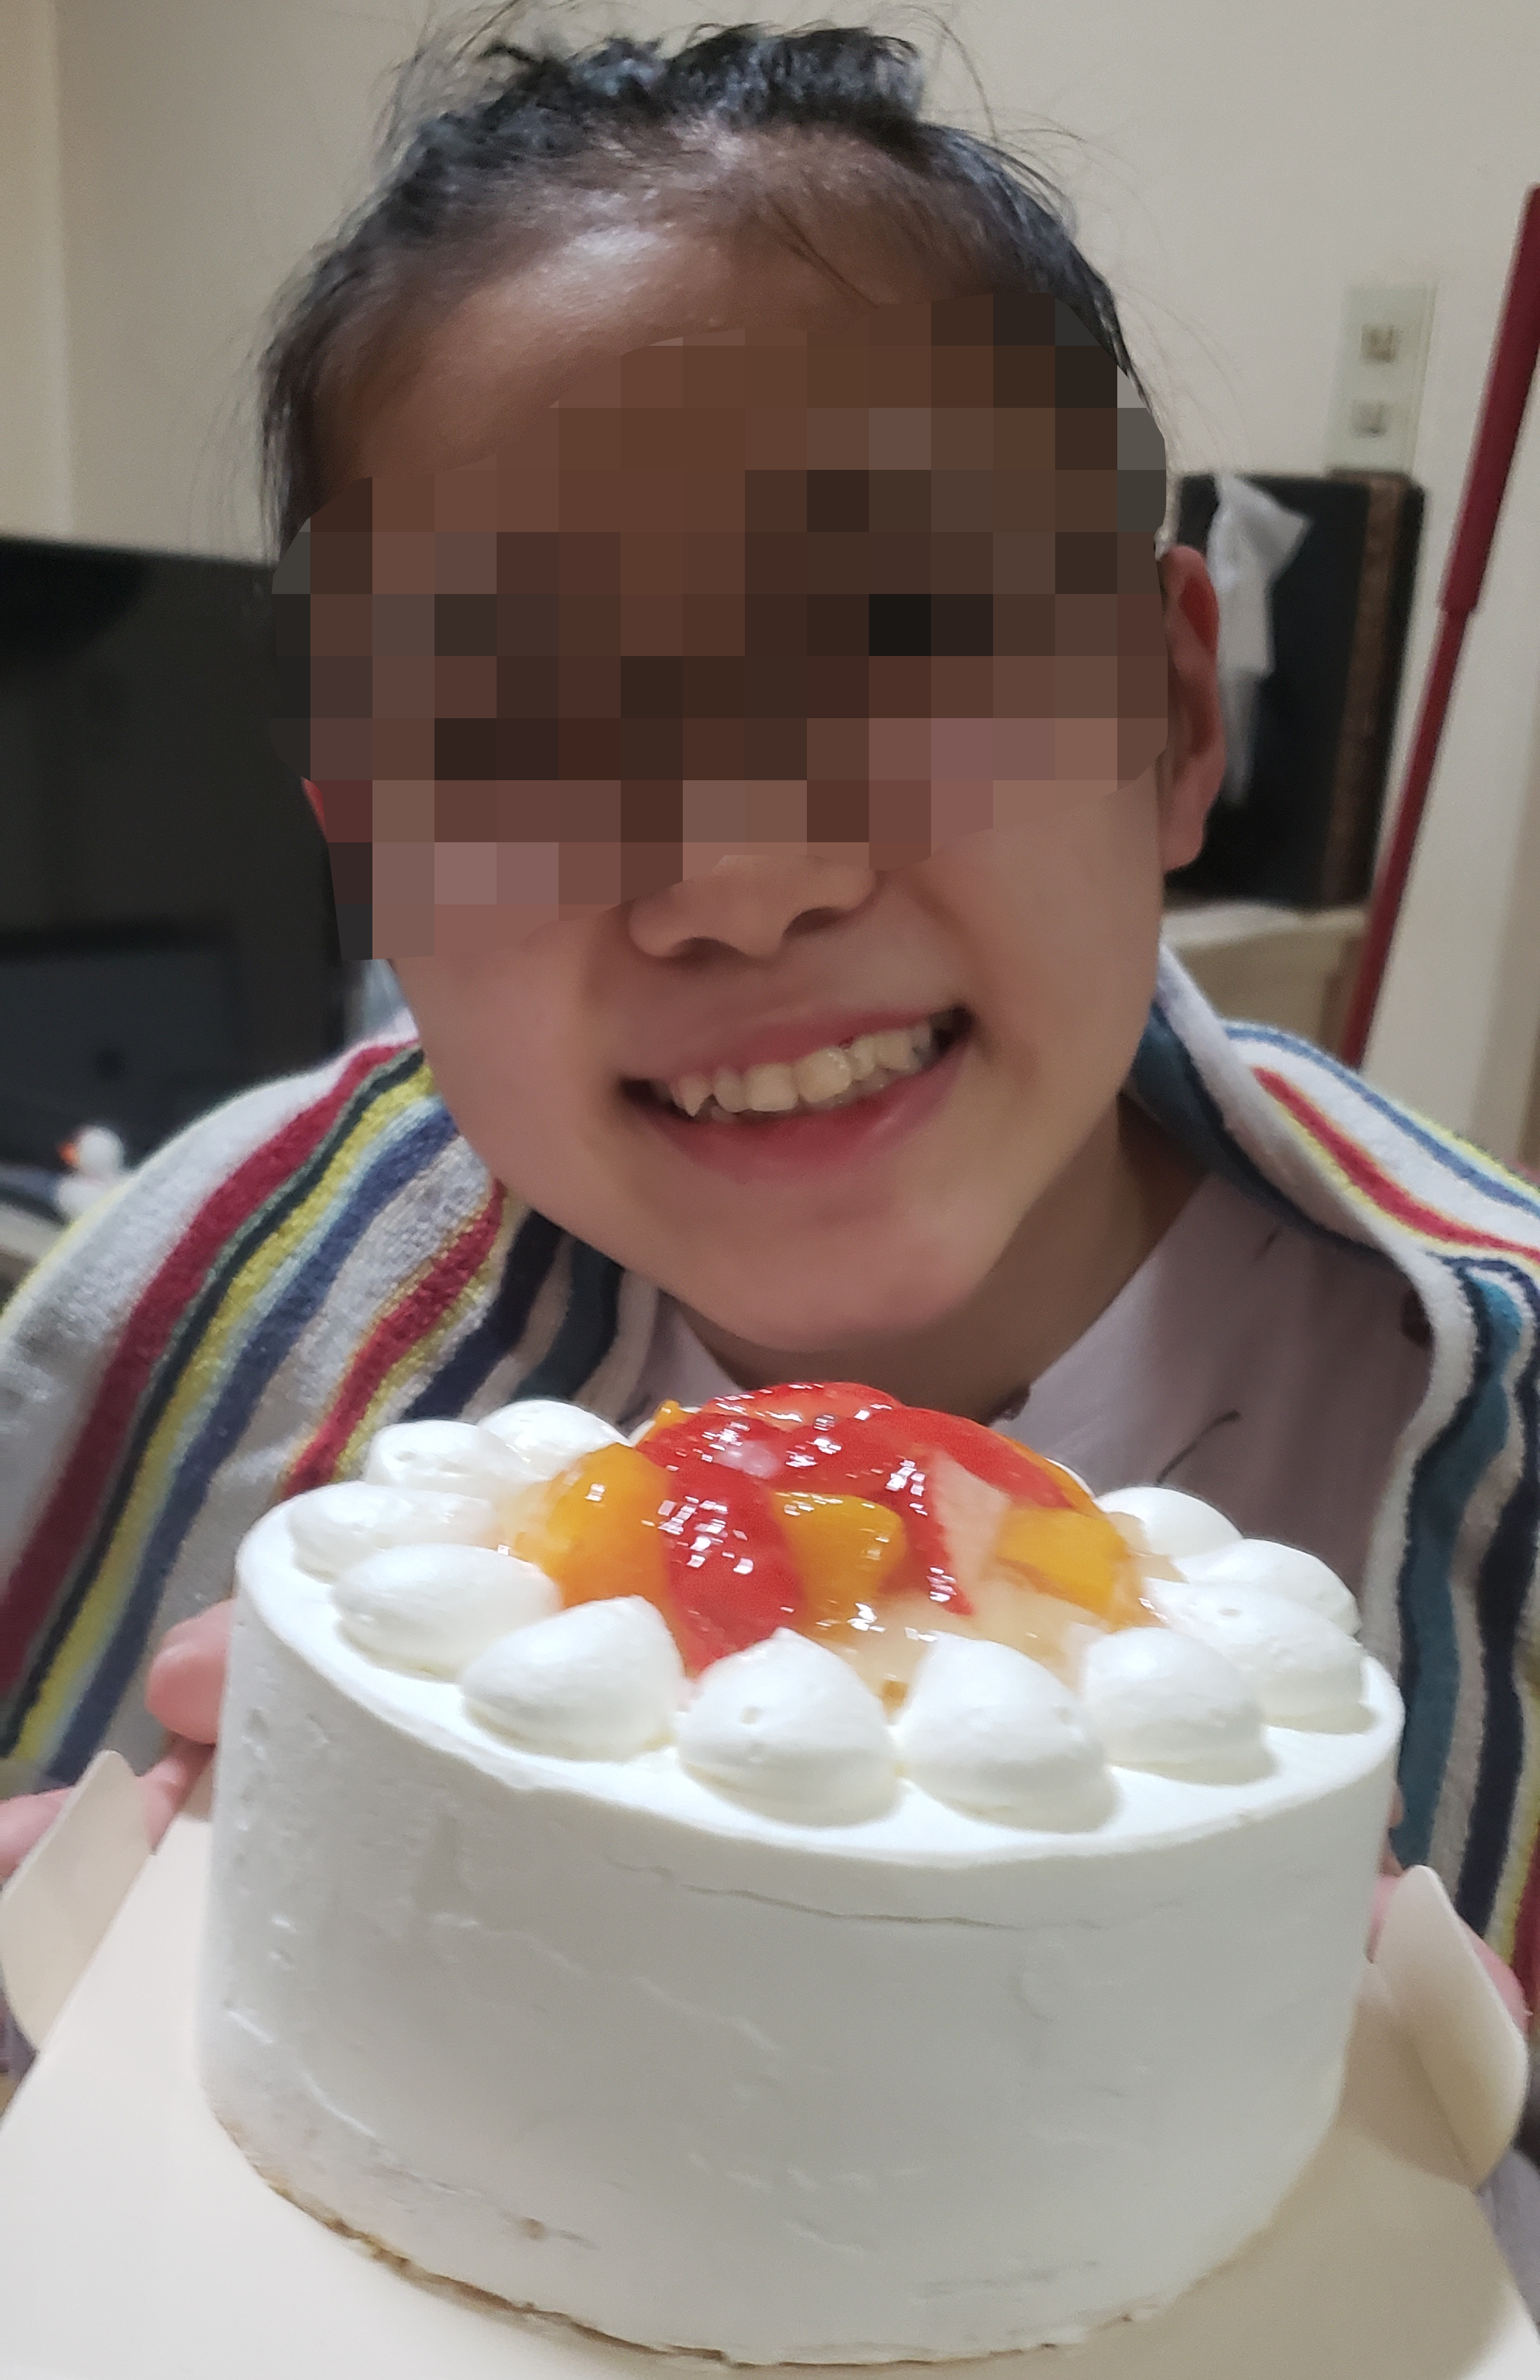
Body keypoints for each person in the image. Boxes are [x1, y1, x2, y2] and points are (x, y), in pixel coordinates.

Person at [2, 17, 1538, 2065]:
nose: (734, 873)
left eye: (902, 635)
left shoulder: (1491, 1441)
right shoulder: (200, 1298)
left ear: (1172, 714)